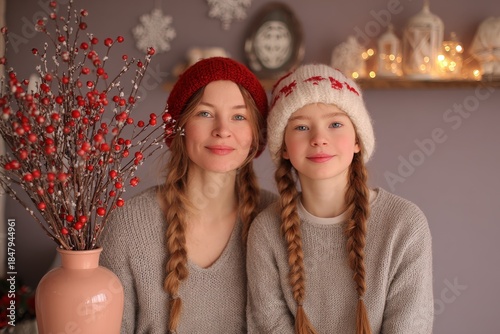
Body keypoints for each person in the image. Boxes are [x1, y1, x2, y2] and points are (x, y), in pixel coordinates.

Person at [246, 64, 433, 334]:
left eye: (335, 124)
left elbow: (409, 325)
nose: (319, 139)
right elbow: (269, 324)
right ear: (284, 147)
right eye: (300, 126)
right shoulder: (265, 231)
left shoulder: (403, 224)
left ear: (357, 140)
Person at [100, 57, 277, 334]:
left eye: (239, 116)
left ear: (255, 135)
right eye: (205, 113)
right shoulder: (128, 225)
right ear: (178, 128)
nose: (222, 130)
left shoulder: (276, 217)